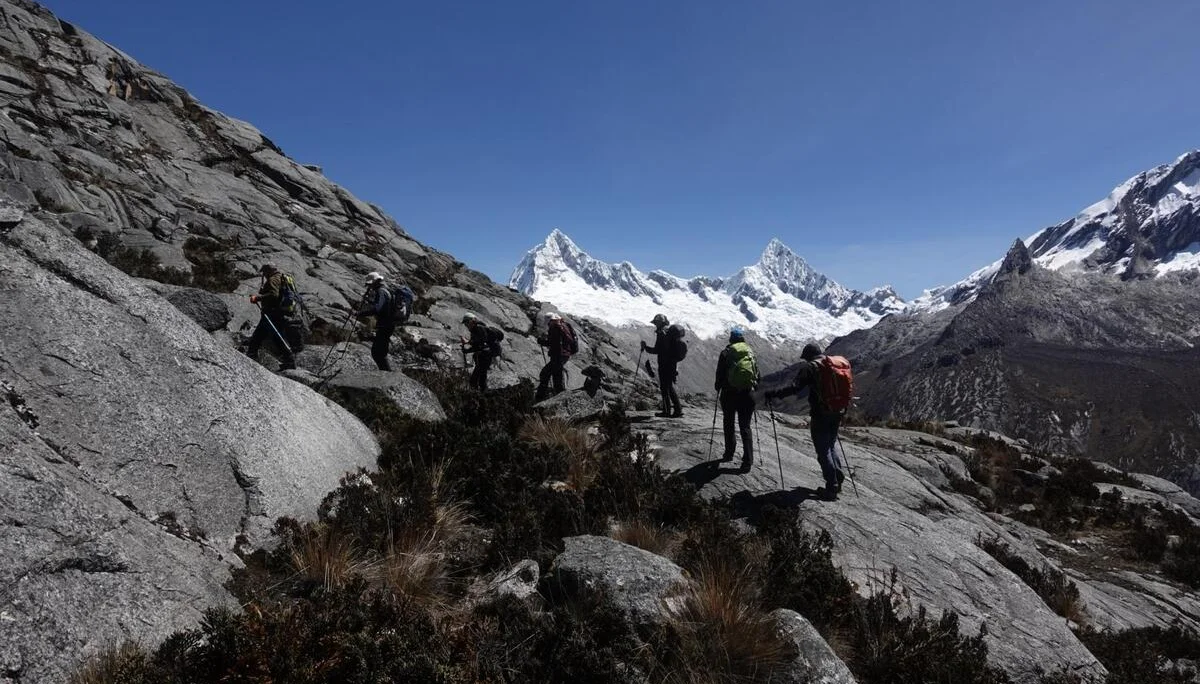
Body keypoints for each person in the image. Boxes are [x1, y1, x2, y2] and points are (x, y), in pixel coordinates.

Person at [765, 342, 846, 501]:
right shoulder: (832, 364)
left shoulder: (810, 367)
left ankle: (832, 486)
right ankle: (837, 477)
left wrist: (774, 393)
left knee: (823, 449)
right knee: (830, 444)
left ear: (809, 356)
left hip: (821, 413)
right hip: (837, 411)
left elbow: (795, 387)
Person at [715, 326, 758, 472]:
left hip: (729, 394)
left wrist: (718, 386)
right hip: (747, 394)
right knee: (745, 427)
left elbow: (720, 373)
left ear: (731, 339)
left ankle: (729, 453)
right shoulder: (750, 353)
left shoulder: (726, 353)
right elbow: (757, 375)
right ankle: (748, 461)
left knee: (729, 423)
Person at [245, 264, 296, 370]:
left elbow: (274, 295)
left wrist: (258, 298)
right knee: (274, 336)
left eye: (264, 272)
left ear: (268, 271)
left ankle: (251, 356)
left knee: (260, 336)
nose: (263, 275)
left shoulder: (273, 279)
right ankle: (289, 360)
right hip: (279, 312)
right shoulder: (281, 277)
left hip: (272, 313)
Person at [642, 313, 682, 417]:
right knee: (669, 386)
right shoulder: (669, 331)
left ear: (659, 323)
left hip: (664, 364)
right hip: (672, 363)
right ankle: (678, 410)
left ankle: (666, 411)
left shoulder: (661, 333)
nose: (655, 325)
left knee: (664, 388)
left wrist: (646, 348)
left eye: (656, 323)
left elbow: (657, 350)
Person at [356, 272, 396, 371]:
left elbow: (377, 309)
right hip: (389, 324)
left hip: (385, 325)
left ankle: (387, 375)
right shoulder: (387, 290)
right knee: (380, 352)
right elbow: (383, 306)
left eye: (370, 284)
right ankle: (387, 374)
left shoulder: (381, 291)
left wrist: (361, 314)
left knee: (377, 353)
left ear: (375, 282)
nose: (370, 287)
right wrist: (370, 301)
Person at [536, 312, 573, 401]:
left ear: (551, 321)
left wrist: (542, 341)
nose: (548, 325)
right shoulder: (563, 325)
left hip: (558, 356)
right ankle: (559, 397)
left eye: (549, 322)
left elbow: (553, 343)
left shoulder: (555, 328)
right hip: (564, 355)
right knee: (557, 377)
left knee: (545, 374)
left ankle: (540, 397)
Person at [461, 313, 500, 391]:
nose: (466, 325)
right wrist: (466, 350)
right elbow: (476, 347)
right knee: (481, 379)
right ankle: (482, 395)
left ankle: (477, 396)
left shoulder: (479, 328)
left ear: (472, 321)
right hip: (483, 357)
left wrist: (468, 342)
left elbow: (482, 342)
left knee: (474, 380)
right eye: (465, 323)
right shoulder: (474, 331)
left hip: (486, 357)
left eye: (466, 322)